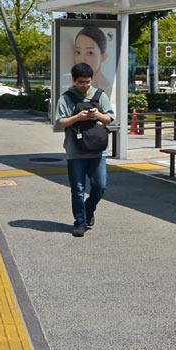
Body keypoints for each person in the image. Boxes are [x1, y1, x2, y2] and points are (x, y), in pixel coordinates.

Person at [54, 62, 114, 237]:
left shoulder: (99, 95)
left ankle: (89, 210)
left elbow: (110, 118)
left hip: (98, 150)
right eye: (81, 82)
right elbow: (59, 122)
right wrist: (77, 117)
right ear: (73, 80)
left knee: (100, 186)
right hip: (75, 152)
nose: (84, 85)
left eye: (87, 82)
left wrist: (98, 115)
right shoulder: (66, 98)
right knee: (78, 189)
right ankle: (80, 222)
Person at [72, 25, 112, 97]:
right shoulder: (68, 95)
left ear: (103, 56)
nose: (82, 59)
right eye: (78, 52)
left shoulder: (107, 92)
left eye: (90, 53)